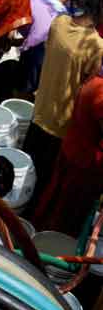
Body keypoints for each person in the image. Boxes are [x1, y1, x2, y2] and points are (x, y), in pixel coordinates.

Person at [23, 0, 103, 211]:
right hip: (62, 125)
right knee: (42, 185)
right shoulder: (96, 46)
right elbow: (90, 86)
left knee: (27, 171)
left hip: (40, 113)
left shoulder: (58, 24)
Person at [31, 75, 103, 237]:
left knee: (53, 198)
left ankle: (41, 233)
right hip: (84, 165)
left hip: (71, 150)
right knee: (67, 212)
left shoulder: (95, 81)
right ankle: (50, 243)